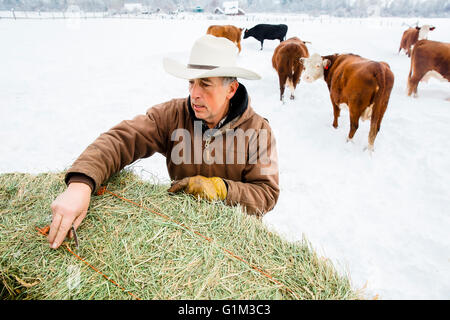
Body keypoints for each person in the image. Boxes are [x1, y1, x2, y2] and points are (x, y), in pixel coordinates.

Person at [48, 35, 279, 249]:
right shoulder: (173, 115)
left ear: (231, 89)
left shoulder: (259, 131)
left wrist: (222, 189)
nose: (194, 93)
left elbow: (267, 194)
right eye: (191, 82)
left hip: (234, 240)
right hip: (182, 232)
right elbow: (122, 139)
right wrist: (81, 183)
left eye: (206, 84)